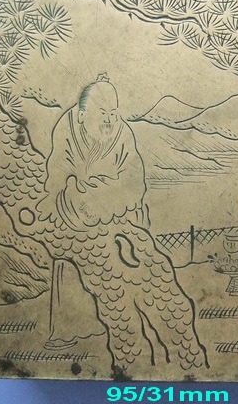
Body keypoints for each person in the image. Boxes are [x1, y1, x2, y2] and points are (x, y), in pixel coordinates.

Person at [36, 73, 149, 350]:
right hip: (74, 214)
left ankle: (118, 328)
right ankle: (67, 330)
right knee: (68, 260)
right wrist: (70, 199)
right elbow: (57, 174)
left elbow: (134, 180)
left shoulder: (123, 134)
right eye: (102, 113)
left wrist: (102, 194)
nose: (109, 120)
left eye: (113, 113)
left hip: (115, 213)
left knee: (122, 266)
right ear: (82, 114)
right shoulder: (66, 128)